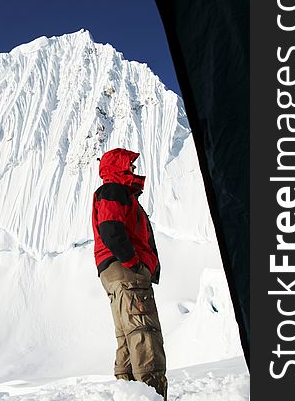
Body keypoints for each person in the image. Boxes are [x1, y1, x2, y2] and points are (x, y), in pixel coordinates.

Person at [92, 148, 168, 400]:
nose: (134, 169)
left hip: (114, 274)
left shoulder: (113, 192)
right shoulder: (115, 190)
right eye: (130, 165)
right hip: (126, 272)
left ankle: (128, 394)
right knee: (145, 334)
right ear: (118, 167)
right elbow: (111, 228)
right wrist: (134, 263)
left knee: (127, 338)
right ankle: (152, 395)